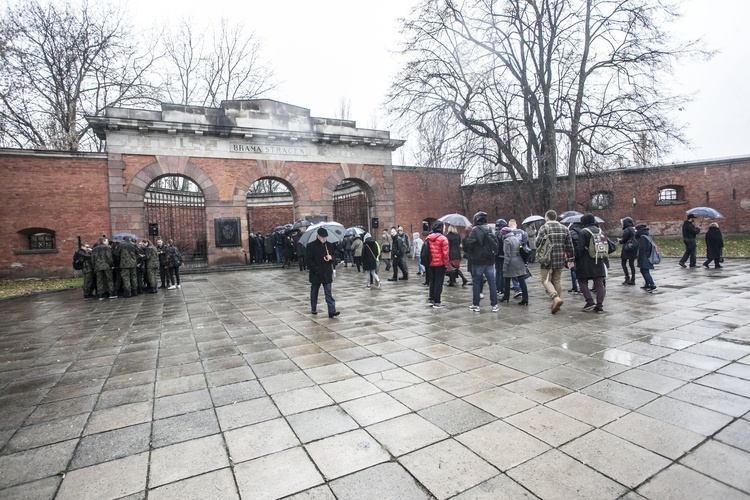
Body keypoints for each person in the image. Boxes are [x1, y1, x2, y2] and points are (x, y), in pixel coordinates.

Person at [535, 210, 575, 314]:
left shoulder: (544, 228)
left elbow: (537, 243)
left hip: (547, 259)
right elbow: (570, 246)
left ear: (547, 217)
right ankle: (557, 302)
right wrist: (570, 259)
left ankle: (555, 298)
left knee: (546, 280)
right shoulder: (564, 228)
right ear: (556, 217)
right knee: (557, 280)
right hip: (560, 259)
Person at [463, 211, 499, 312]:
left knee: (476, 282)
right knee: (492, 282)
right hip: (489, 260)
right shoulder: (490, 229)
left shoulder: (475, 230)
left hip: (478, 260)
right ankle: (494, 304)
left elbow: (468, 245)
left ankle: (476, 304)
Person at [575, 213, 607, 312]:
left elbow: (580, 248)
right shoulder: (600, 231)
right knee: (599, 283)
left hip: (586, 261)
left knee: (582, 281)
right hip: (599, 259)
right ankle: (600, 305)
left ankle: (589, 301)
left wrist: (574, 257)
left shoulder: (583, 231)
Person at [306, 227, 339, 318]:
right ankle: (314, 308)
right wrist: (316, 269)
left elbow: (335, 257)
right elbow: (308, 261)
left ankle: (332, 311)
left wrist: (331, 257)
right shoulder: (311, 246)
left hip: (327, 273)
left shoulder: (329, 245)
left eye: (325, 237)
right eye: (322, 237)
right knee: (314, 292)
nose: (324, 238)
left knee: (328, 292)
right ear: (318, 236)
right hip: (316, 274)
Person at [500, 226, 528, 305]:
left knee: (507, 278)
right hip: (519, 260)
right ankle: (525, 298)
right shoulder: (516, 238)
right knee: (521, 280)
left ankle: (506, 296)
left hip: (511, 262)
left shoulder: (507, 241)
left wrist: (505, 266)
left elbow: (507, 255)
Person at [425, 221, 450, 308]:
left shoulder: (428, 238)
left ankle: (431, 299)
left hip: (430, 263)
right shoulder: (443, 239)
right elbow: (445, 254)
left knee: (432, 281)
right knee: (439, 283)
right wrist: (446, 264)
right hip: (440, 264)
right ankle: (437, 301)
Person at [635, 223, 657, 291]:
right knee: (644, 270)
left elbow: (642, 248)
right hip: (648, 255)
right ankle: (648, 283)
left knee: (645, 270)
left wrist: (639, 257)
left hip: (645, 256)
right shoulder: (647, 235)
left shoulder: (642, 237)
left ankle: (651, 284)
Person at [618, 217, 638, 285]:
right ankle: (633, 279)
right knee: (631, 264)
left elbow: (624, 239)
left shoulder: (627, 230)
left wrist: (620, 241)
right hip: (633, 248)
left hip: (627, 249)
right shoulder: (634, 229)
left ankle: (627, 278)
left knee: (623, 263)